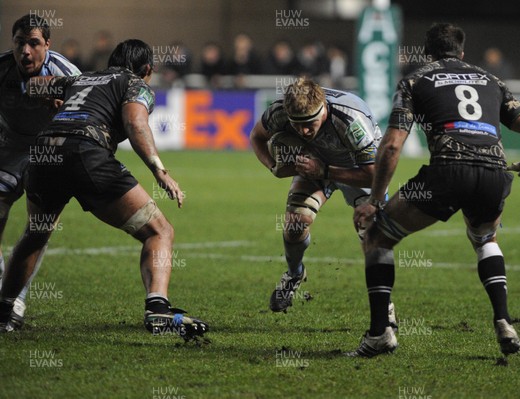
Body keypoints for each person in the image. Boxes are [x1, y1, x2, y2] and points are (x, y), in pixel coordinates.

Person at [348, 23, 520, 357]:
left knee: (377, 237)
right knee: (485, 239)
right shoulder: (490, 80)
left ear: (427, 53)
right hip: (493, 174)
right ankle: (503, 320)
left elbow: (393, 146)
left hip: (448, 172)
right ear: (462, 51)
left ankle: (379, 333)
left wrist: (372, 199)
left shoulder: (415, 81)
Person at [0, 39, 208, 341]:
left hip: (44, 153)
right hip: (85, 153)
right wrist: (159, 170)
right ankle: (158, 308)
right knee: (158, 231)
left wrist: (49, 100)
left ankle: (4, 311)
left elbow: (35, 85)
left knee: (36, 234)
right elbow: (137, 124)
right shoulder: (135, 83)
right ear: (147, 69)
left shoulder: (81, 77)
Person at [250, 77, 397, 326]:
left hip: (357, 168)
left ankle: (386, 311)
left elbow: (375, 172)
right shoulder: (279, 112)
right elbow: (256, 137)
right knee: (295, 224)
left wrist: (325, 170)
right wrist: (273, 166)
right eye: (298, 126)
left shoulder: (351, 121)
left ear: (324, 110)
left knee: (372, 237)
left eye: (310, 124)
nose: (304, 131)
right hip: (314, 164)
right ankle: (295, 274)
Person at [0, 14, 80, 329]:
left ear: (48, 43)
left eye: (34, 43)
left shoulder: (68, 75)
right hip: (9, 149)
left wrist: (65, 113)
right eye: (20, 43)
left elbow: (89, 115)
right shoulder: (2, 69)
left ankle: (15, 299)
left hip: (49, 152)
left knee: (39, 228)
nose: (26, 51)